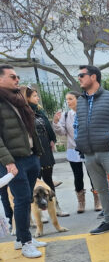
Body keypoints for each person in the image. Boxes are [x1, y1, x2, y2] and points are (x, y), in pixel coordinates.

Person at [0, 65, 47, 258]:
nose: (17, 79)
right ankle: (26, 243)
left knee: (27, 199)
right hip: (14, 160)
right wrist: (8, 162)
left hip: (30, 156)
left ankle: (22, 238)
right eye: (12, 76)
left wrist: (37, 153)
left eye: (17, 76)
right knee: (20, 200)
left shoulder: (18, 99)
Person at [74, 64, 109, 235]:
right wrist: (78, 138)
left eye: (82, 75)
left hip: (107, 150)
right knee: (100, 189)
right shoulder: (81, 101)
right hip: (89, 152)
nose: (79, 78)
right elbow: (77, 124)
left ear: (93, 77)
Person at [21, 86, 69, 218]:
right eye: (35, 96)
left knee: (48, 180)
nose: (37, 98)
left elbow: (47, 127)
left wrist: (52, 139)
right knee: (35, 182)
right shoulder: (24, 112)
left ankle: (55, 206)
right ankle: (37, 212)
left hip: (46, 150)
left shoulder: (39, 111)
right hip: (34, 151)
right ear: (27, 97)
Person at [53, 91, 97, 213]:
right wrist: (56, 122)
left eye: (71, 99)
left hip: (89, 148)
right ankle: (81, 203)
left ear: (78, 100)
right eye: (67, 99)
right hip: (73, 150)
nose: (68, 101)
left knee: (93, 174)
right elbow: (61, 132)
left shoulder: (88, 112)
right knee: (78, 176)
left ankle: (97, 200)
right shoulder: (66, 115)